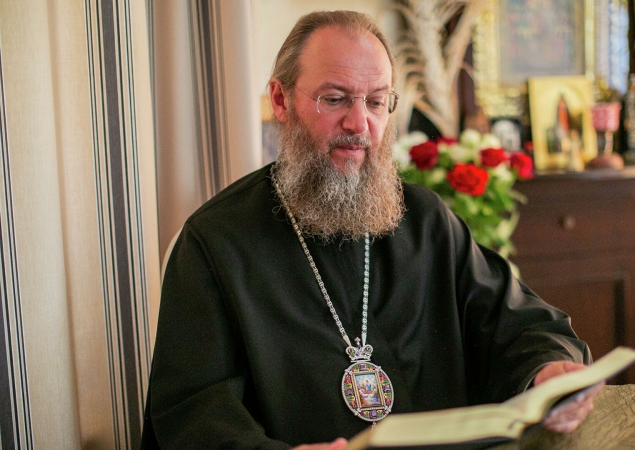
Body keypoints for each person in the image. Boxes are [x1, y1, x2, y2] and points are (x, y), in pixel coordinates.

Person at [141, 10, 600, 450]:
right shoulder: (215, 242)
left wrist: (547, 371)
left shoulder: (425, 221)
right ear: (281, 100)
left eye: (376, 102)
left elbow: (522, 324)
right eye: (335, 99)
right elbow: (193, 414)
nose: (359, 123)